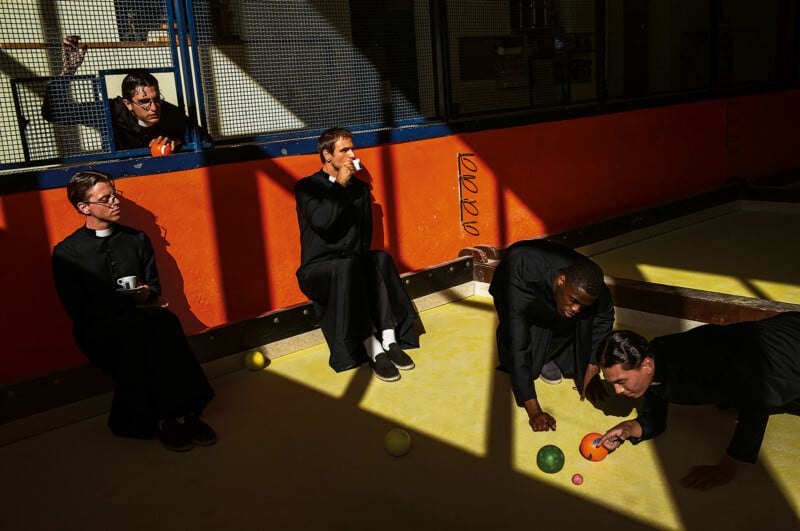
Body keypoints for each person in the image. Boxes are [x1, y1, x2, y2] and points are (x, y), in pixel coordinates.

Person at [52, 170, 217, 452]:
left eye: (115, 195)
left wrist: (145, 294)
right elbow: (77, 308)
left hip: (142, 317)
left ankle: (185, 414)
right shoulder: (67, 252)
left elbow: (154, 287)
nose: (115, 202)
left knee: (165, 322)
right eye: (105, 199)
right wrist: (122, 303)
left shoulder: (137, 239)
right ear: (84, 207)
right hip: (99, 327)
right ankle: (167, 418)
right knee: (140, 333)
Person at [598, 313, 800, 490]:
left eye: (621, 381)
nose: (617, 390)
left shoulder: (698, 365)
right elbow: (654, 421)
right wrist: (626, 429)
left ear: (647, 365)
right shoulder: (652, 365)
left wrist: (726, 469)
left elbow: (755, 406)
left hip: (788, 355)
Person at [294, 127, 419, 382]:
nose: (352, 154)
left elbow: (362, 239)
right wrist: (339, 184)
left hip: (350, 263)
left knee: (379, 259)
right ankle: (371, 348)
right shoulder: (307, 187)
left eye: (353, 148)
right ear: (327, 155)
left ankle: (389, 339)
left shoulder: (360, 190)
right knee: (349, 267)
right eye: (345, 150)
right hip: (318, 269)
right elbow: (322, 223)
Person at [489, 239, 614, 432]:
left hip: (554, 293)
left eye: (582, 304)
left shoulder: (593, 288)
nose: (576, 308)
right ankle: (544, 353)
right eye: (573, 300)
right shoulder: (521, 274)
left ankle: (552, 353)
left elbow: (604, 318)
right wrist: (534, 410)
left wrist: (592, 363)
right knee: (523, 367)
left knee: (581, 323)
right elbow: (517, 343)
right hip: (515, 281)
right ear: (561, 281)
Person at [41, 35, 188, 151]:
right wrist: (67, 74)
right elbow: (54, 113)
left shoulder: (169, 112)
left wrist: (179, 141)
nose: (154, 107)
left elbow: (204, 141)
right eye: (143, 102)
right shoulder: (110, 110)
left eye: (156, 99)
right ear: (127, 103)